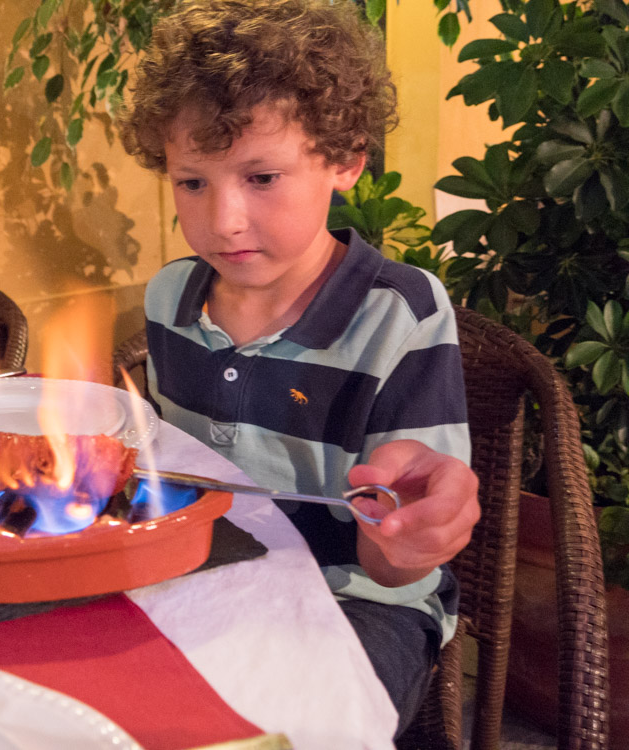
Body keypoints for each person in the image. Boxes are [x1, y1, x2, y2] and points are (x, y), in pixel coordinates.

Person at [119, 0, 480, 737]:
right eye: (192, 182)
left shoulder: (401, 315)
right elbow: (174, 479)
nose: (222, 220)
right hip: (206, 586)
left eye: (261, 177)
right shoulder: (168, 299)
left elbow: (396, 567)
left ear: (345, 157)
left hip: (357, 602)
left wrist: (412, 535)